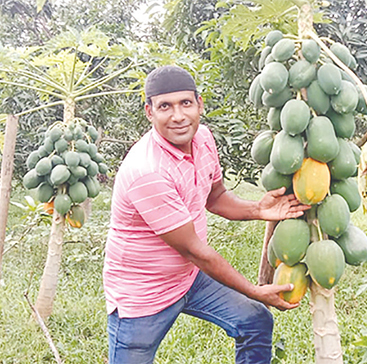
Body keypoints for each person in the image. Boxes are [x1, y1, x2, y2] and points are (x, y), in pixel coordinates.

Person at [103, 65, 310, 364]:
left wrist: (258, 209)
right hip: (143, 294)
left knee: (254, 321)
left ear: (199, 104)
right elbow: (195, 251)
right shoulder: (146, 171)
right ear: (149, 112)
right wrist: (253, 290)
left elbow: (216, 197)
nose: (178, 116)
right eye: (165, 107)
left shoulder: (203, 140)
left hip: (188, 279)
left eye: (185, 103)